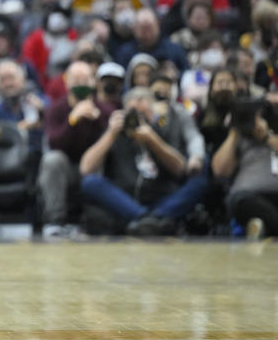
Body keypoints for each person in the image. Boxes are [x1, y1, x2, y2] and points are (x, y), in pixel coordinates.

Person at [80, 88, 209, 235]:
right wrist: (111, 133)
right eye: (133, 111)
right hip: (125, 202)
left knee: (200, 182)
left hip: (162, 199)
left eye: (143, 110)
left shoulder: (162, 129)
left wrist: (153, 139)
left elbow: (180, 169)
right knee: (90, 182)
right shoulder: (115, 133)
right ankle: (150, 219)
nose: (137, 118)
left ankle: (148, 219)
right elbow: (86, 168)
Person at [211, 93, 278, 239]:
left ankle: (267, 229)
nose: (272, 110)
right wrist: (235, 130)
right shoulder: (243, 136)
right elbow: (220, 170)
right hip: (253, 197)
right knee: (240, 201)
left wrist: (268, 137)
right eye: (267, 106)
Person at [39, 61, 115, 236]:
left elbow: (111, 148)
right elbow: (54, 143)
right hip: (66, 169)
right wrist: (72, 120)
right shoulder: (56, 109)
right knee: (52, 159)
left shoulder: (105, 110)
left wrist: (97, 122)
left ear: (94, 83)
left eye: (85, 79)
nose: (80, 84)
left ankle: (93, 221)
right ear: (67, 83)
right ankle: (54, 222)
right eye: (76, 79)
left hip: (95, 170)